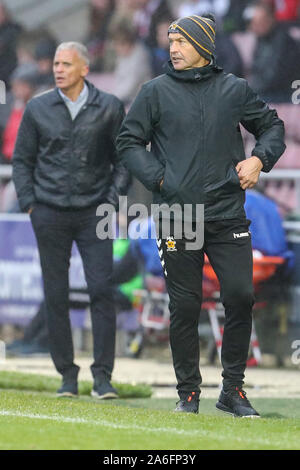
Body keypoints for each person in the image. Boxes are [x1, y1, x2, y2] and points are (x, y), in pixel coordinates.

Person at [117, 14, 286, 417]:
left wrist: (260, 160)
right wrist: (160, 179)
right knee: (186, 305)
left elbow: (272, 127)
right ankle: (188, 393)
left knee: (241, 296)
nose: (173, 48)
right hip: (177, 216)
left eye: (182, 41)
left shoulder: (235, 89)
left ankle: (232, 390)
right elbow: (128, 141)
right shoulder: (154, 91)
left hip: (228, 214)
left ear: (204, 46)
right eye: (170, 41)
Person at [13, 41, 130, 399]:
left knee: (101, 290)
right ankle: (67, 375)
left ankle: (102, 378)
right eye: (56, 64)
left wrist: (110, 201)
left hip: (95, 212)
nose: (58, 69)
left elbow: (124, 161)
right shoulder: (37, 108)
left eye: (66, 64)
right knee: (55, 294)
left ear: (84, 69)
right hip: (48, 212)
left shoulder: (109, 107)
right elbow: (22, 161)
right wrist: (30, 203)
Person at [248, 2, 300, 103]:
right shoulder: (262, 39)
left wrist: (253, 88)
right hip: (266, 91)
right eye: (253, 23)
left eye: (259, 23)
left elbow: (275, 76)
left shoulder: (285, 41)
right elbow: (255, 67)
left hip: (284, 95)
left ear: (270, 20)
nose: (254, 27)